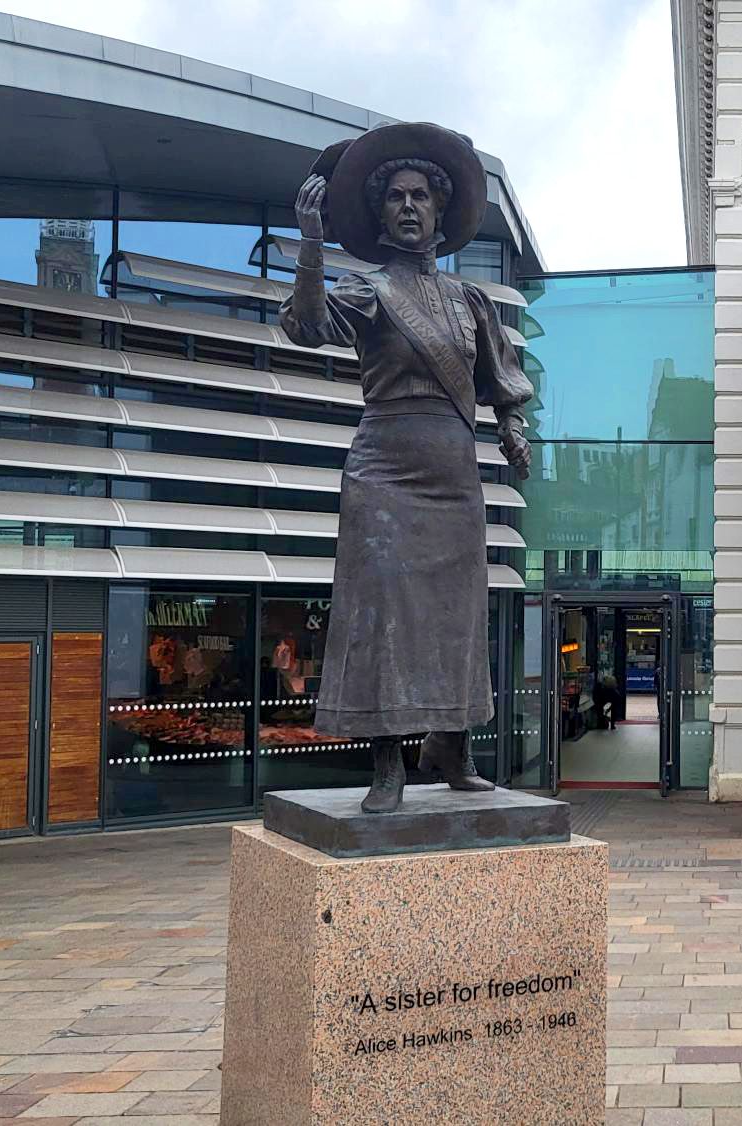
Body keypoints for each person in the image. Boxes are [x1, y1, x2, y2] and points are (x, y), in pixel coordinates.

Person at [281, 123, 533, 813]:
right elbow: (306, 325)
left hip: (454, 475)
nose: (410, 206)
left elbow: (500, 380)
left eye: (421, 195)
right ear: (380, 211)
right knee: (383, 613)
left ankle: (450, 747)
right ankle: (387, 762)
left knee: (456, 616)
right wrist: (310, 244)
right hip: (386, 469)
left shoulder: (467, 300)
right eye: (395, 196)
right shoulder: (367, 289)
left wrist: (513, 430)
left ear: (441, 209)